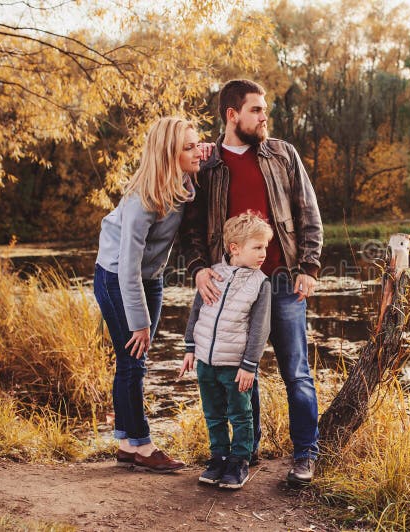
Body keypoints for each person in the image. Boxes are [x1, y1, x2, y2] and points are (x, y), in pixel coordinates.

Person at [180, 79, 323, 485]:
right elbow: (189, 230)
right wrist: (198, 269)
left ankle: (305, 455)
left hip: (283, 283)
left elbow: (308, 214)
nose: (264, 117)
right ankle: (248, 451)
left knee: (296, 373)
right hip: (233, 287)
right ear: (232, 114)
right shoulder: (206, 165)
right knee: (245, 372)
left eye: (264, 110)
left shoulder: (283, 155)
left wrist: (308, 269)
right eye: (256, 110)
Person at [94, 116, 200, 472]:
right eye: (188, 147)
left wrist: (204, 151)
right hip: (116, 278)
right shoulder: (143, 200)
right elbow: (126, 269)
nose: (196, 151)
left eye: (196, 144)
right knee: (134, 362)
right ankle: (143, 446)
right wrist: (139, 322)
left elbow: (204, 160)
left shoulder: (183, 182)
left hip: (150, 277)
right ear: (168, 155)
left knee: (130, 363)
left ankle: (125, 443)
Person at [180, 211, 272, 489]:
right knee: (213, 413)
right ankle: (218, 457)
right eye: (257, 247)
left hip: (235, 365)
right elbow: (197, 312)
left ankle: (239, 461)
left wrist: (249, 365)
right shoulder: (213, 274)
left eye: (265, 247)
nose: (263, 253)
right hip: (206, 361)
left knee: (241, 414)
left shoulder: (261, 283)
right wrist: (189, 348)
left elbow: (259, 329)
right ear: (234, 248)